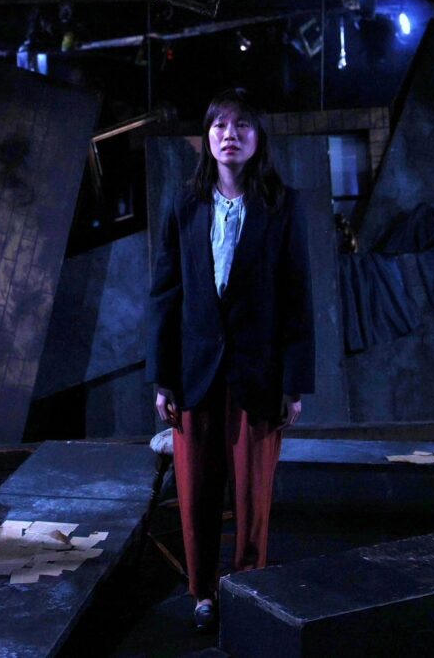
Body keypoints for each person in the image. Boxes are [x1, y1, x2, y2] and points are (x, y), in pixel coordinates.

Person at [146, 88, 314, 632]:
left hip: (258, 375)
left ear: (258, 137)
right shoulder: (184, 204)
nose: (230, 135)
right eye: (220, 125)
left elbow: (297, 297)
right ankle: (202, 593)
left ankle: (248, 590)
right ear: (207, 136)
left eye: (242, 125)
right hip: (193, 373)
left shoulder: (283, 205)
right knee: (195, 494)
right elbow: (165, 294)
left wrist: (294, 384)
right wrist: (162, 378)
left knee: (251, 496)